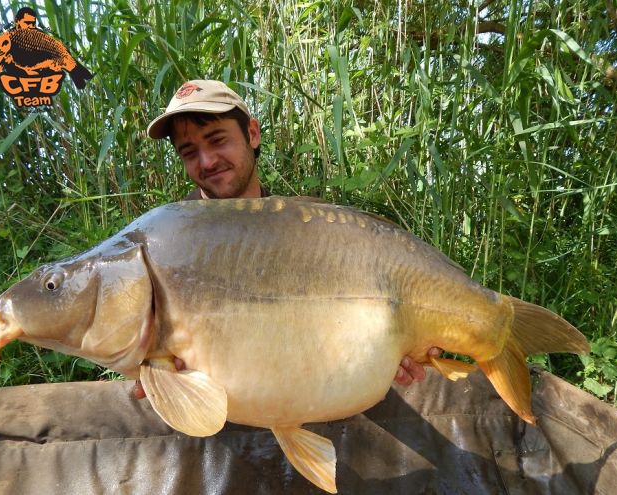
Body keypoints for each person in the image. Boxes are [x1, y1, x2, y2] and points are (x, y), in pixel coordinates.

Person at [139, 79, 441, 399]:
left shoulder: (303, 229)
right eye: (190, 152)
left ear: (252, 134)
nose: (207, 160)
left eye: (217, 140)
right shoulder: (169, 245)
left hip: (302, 399)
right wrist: (152, 369)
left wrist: (383, 355)